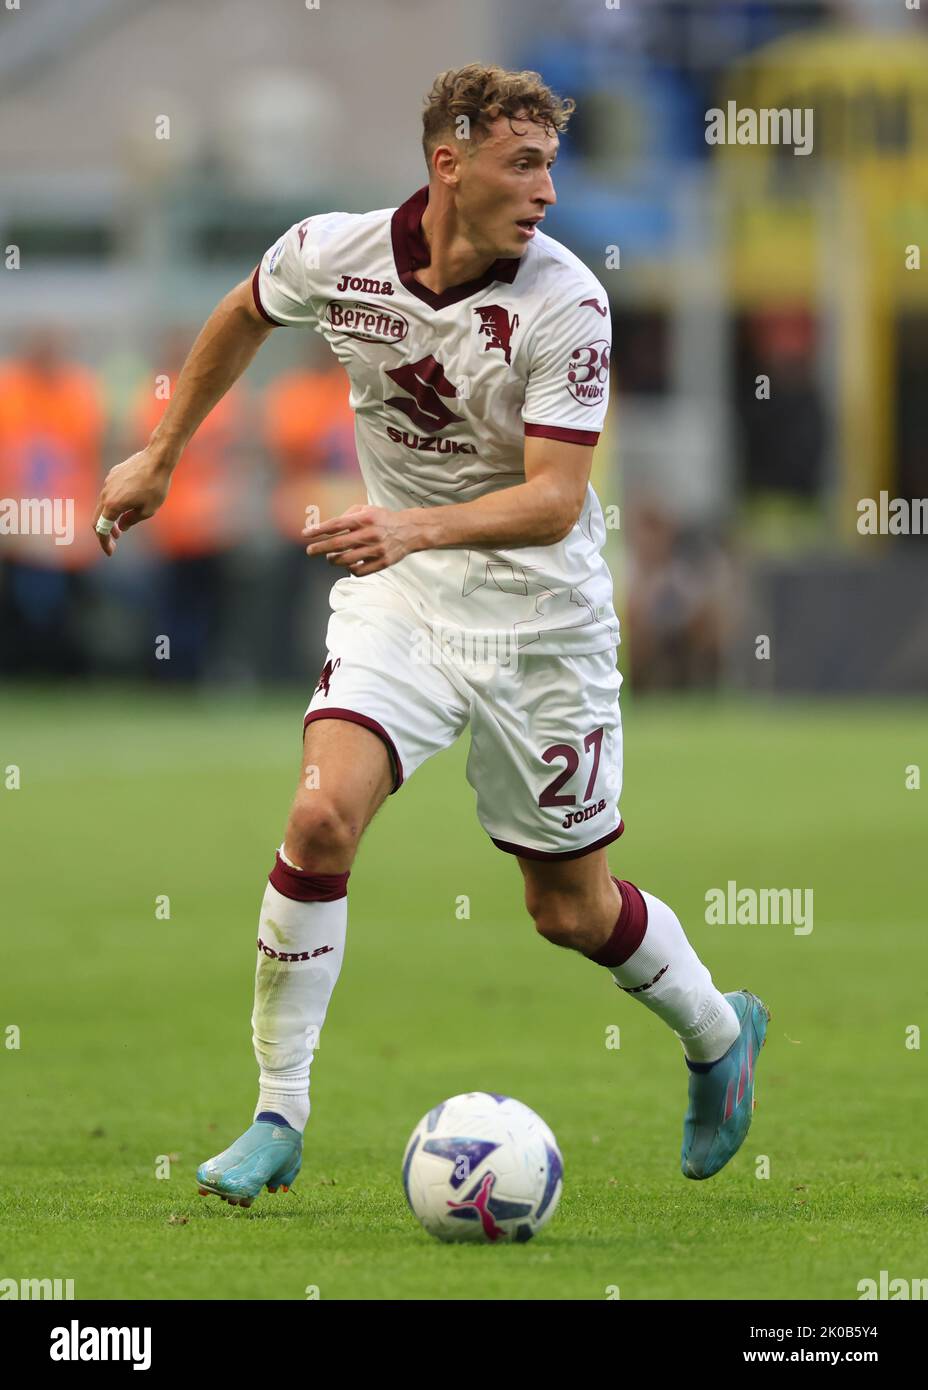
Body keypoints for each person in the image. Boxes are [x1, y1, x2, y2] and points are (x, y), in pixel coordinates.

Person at [91, 64, 768, 1208]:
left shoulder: (568, 303)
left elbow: (556, 498)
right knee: (318, 814)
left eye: (552, 163)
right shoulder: (336, 251)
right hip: (400, 599)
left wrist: (411, 525)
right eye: (523, 163)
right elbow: (245, 307)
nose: (547, 190)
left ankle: (715, 1034)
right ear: (446, 163)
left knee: (568, 908)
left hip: (540, 622)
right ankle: (277, 1112)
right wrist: (162, 453)